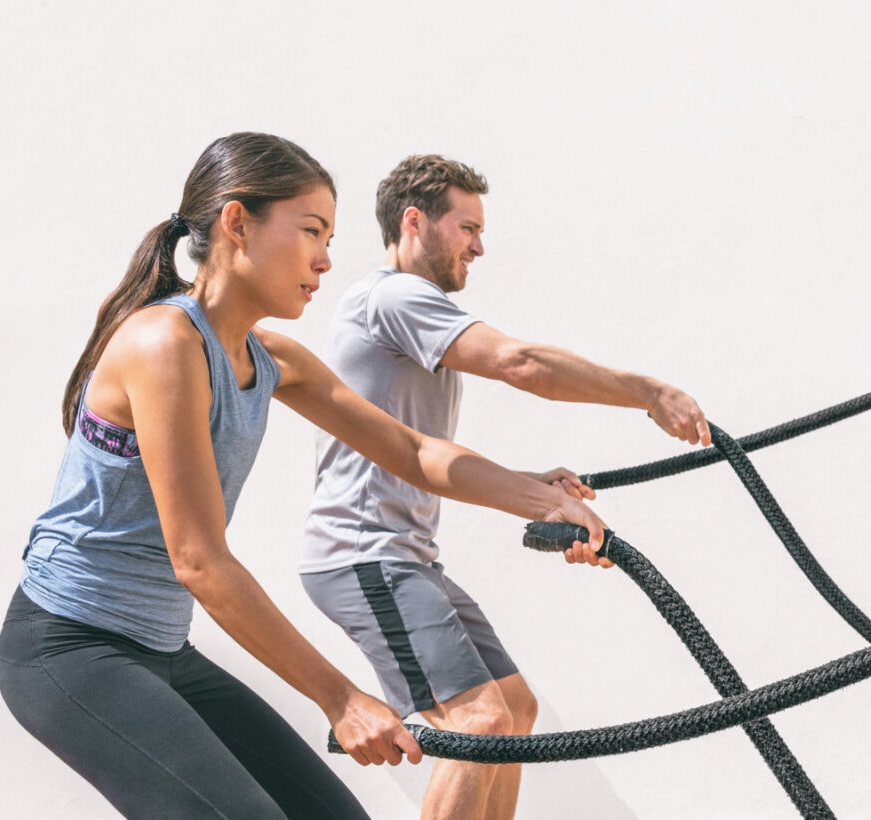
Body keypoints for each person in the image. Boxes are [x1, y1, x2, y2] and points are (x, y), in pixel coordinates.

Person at [0, 133, 610, 820]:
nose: (324, 259)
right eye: (311, 231)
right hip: (67, 649)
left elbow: (411, 453)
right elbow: (199, 561)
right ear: (237, 223)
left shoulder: (272, 358)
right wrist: (342, 698)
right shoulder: (163, 345)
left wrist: (539, 498)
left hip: (161, 650)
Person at [301, 153, 712, 820]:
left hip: (404, 557)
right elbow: (520, 363)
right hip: (362, 556)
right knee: (479, 722)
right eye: (467, 227)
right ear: (415, 222)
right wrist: (647, 391)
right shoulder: (395, 296)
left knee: (512, 712)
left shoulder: (401, 313)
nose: (480, 246)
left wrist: (531, 484)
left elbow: (415, 452)